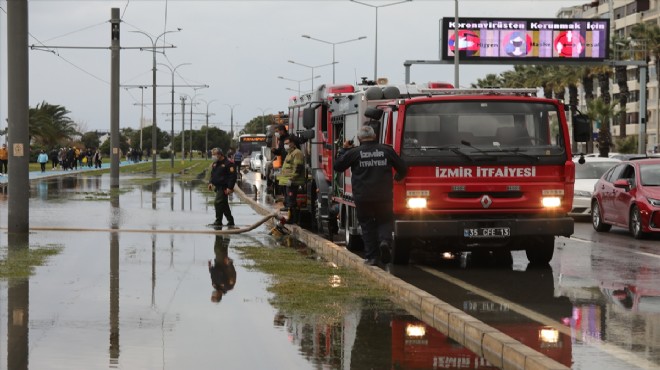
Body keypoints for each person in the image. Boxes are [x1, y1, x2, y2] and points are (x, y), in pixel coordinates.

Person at [333, 125, 407, 266]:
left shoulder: (354, 152)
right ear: (374, 136)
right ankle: (385, 241)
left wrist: (343, 149)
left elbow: (338, 166)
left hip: (363, 197)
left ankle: (372, 257)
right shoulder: (386, 150)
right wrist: (397, 177)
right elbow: (403, 168)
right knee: (385, 220)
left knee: (367, 226)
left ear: (359, 138)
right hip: (383, 196)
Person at [276, 135, 305, 224]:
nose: (285, 145)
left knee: (291, 202)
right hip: (287, 182)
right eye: (284, 144)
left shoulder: (297, 153)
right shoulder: (290, 153)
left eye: (287, 143)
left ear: (292, 143)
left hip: (293, 182)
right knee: (289, 201)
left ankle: (293, 220)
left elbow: (298, 167)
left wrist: (292, 179)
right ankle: (291, 219)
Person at [207, 148, 237, 227]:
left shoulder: (228, 163)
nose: (213, 156)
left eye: (214, 154)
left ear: (220, 155)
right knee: (224, 205)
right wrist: (210, 183)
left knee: (217, 203)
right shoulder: (215, 163)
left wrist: (230, 188)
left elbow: (232, 176)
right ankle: (230, 221)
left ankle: (218, 221)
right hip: (218, 187)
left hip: (224, 187)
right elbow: (213, 174)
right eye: (212, 154)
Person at [208, 235, 236, 303]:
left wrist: (210, 267)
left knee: (220, 248)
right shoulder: (228, 287)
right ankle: (224, 233)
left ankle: (222, 233)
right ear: (219, 296)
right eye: (214, 295)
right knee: (218, 249)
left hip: (217, 262)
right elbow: (233, 274)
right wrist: (229, 264)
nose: (213, 293)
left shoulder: (214, 285)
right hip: (224, 263)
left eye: (212, 295)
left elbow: (213, 275)